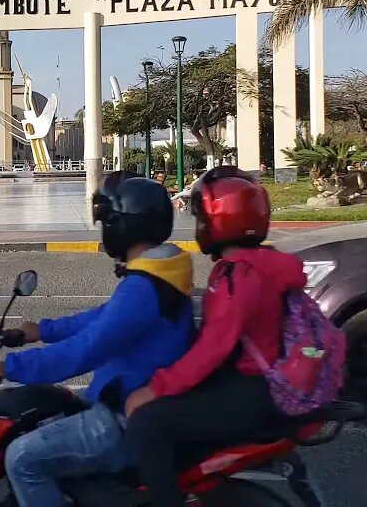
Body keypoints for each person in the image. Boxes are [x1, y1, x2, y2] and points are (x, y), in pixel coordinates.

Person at [0, 172, 195, 507]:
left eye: (107, 221)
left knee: (21, 457)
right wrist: (41, 330)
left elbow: (86, 350)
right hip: (126, 400)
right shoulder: (156, 275)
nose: (104, 230)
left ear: (123, 225)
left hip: (123, 417)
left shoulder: (144, 287)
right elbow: (101, 319)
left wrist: (6, 366)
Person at [123, 166, 308, 507]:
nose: (199, 228)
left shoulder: (239, 278)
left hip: (248, 390)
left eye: (202, 220)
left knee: (147, 423)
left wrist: (156, 388)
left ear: (221, 221)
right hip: (256, 383)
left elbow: (212, 349)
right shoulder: (261, 262)